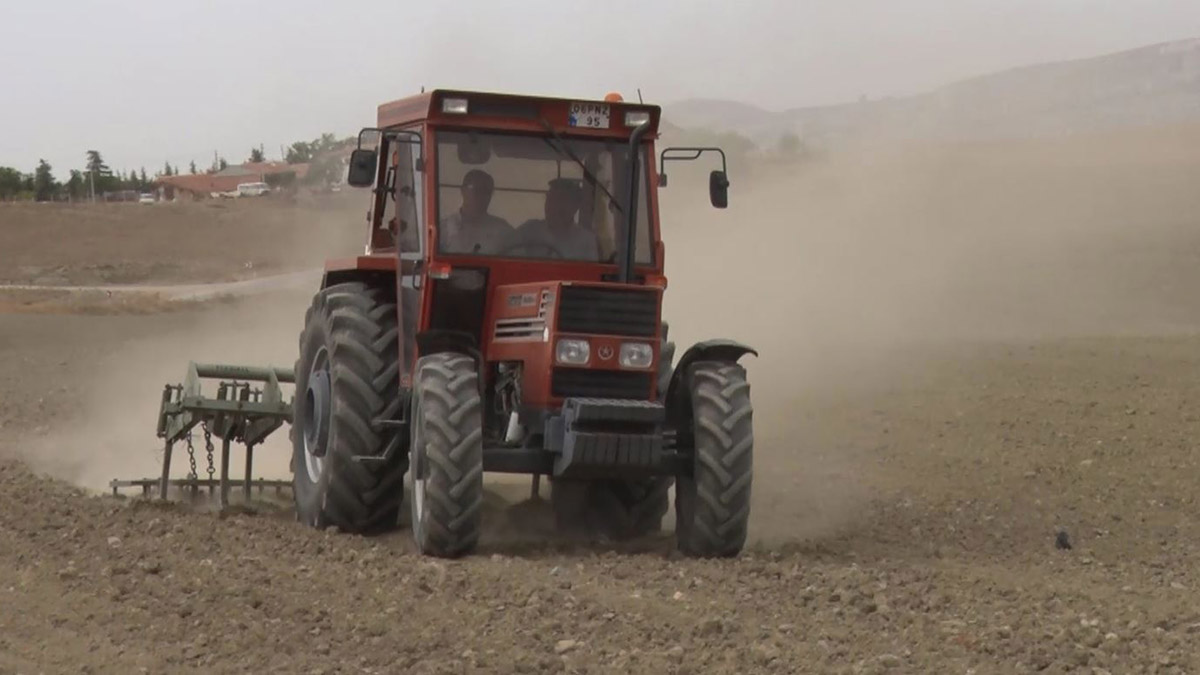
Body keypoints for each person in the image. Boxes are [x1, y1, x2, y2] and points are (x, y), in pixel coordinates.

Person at [516, 178, 599, 260]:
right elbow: (508, 247)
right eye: (550, 199)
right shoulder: (529, 230)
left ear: (575, 206)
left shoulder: (587, 241)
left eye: (561, 199)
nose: (553, 206)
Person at [439, 169, 517, 254]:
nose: (481, 196)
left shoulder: (503, 230)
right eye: (476, 189)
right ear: (463, 190)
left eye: (486, 191)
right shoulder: (443, 230)